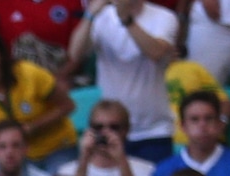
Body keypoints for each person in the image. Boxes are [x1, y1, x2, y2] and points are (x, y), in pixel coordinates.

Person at [67, 0, 177, 163]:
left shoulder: (164, 17)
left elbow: (156, 52)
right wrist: (90, 15)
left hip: (154, 129)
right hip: (111, 129)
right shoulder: (102, 18)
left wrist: (126, 20)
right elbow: (75, 54)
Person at [0, 25, 75, 173]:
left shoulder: (28, 73)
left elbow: (68, 106)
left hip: (57, 148)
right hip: (17, 158)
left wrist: (32, 127)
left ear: (1, 54)